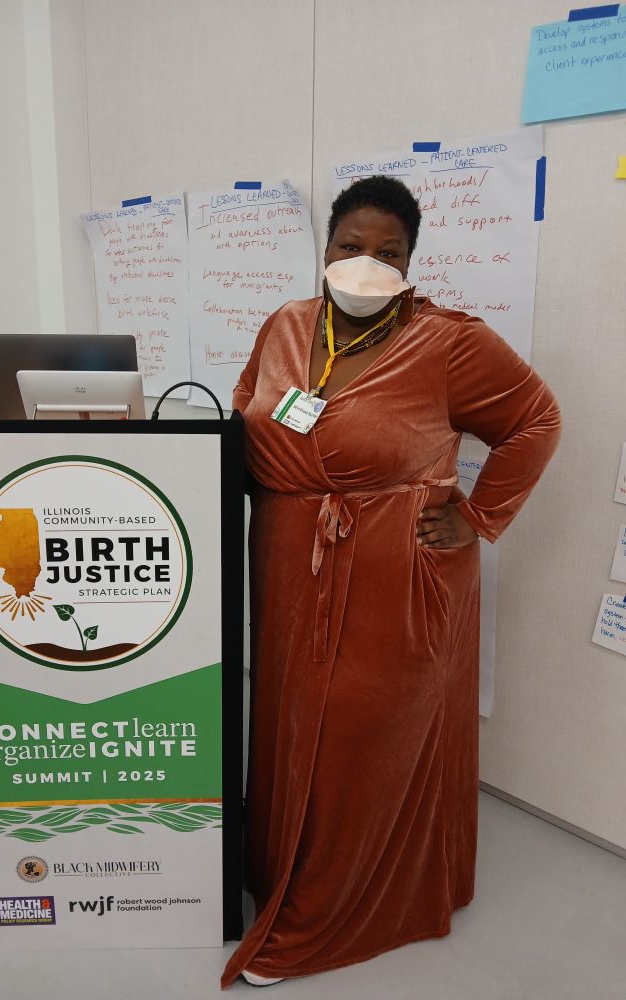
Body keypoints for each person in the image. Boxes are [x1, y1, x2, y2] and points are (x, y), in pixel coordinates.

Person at [221, 176, 561, 989]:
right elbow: (246, 415)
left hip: (394, 577)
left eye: (388, 253)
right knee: (288, 721)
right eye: (349, 246)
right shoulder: (285, 326)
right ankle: (282, 871)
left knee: (360, 736)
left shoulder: (448, 341)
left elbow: (534, 420)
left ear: (411, 262)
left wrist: (478, 518)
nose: (364, 264)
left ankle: (344, 905)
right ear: (324, 247)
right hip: (285, 570)